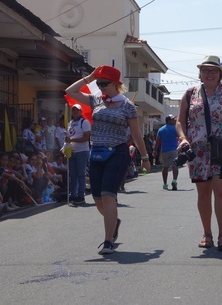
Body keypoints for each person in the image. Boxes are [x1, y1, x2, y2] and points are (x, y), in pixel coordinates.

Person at [65, 64, 151, 255]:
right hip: (96, 152)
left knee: (107, 194)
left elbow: (136, 134)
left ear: (115, 84)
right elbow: (70, 91)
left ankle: (108, 241)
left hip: (118, 152)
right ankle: (114, 222)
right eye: (99, 83)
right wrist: (89, 78)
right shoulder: (96, 100)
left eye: (104, 83)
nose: (101, 86)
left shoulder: (127, 106)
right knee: (97, 199)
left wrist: (144, 158)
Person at [175, 55, 222, 251]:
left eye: (213, 70)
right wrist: (183, 138)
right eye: (206, 70)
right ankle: (206, 234)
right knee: (203, 193)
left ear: (220, 74)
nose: (209, 74)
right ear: (200, 73)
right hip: (198, 149)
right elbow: (180, 121)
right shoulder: (190, 93)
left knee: (221, 191)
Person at [65, 104, 91, 204]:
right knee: (73, 175)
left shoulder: (84, 122)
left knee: (81, 174)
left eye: (77, 110)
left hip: (82, 151)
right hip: (72, 151)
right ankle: (73, 194)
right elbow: (68, 136)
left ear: (81, 111)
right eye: (73, 110)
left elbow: (85, 138)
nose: (75, 112)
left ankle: (81, 196)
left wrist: (71, 139)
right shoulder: (70, 123)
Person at [153, 114, 179, 191]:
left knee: (165, 167)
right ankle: (174, 180)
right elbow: (180, 137)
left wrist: (155, 150)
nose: (174, 121)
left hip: (164, 151)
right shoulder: (175, 129)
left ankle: (165, 184)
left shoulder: (161, 130)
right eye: (173, 119)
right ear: (169, 121)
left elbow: (157, 141)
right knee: (175, 166)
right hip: (174, 150)